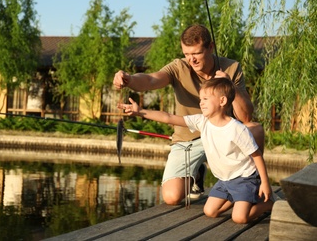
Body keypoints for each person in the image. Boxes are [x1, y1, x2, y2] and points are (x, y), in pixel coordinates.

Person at [113, 24, 264, 205]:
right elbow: (151, 79)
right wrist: (129, 79)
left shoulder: (231, 68)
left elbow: (246, 117)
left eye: (196, 53)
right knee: (172, 197)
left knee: (254, 130)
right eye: (187, 54)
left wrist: (229, 84)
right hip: (188, 139)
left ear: (210, 47)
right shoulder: (178, 67)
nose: (191, 60)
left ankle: (254, 188)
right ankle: (197, 174)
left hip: (224, 136)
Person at [118, 77, 273, 224]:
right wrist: (141, 112)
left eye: (205, 99)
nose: (201, 103)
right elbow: (168, 117)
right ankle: (237, 199)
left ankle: (269, 204)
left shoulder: (236, 129)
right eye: (200, 99)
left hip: (244, 178)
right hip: (225, 180)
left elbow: (257, 155)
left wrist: (265, 183)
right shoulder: (202, 121)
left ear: (222, 101)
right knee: (210, 211)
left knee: (239, 218)